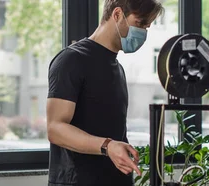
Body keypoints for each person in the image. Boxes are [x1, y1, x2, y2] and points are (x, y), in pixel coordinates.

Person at [45, 0, 163, 185]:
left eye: (147, 27)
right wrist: (107, 146)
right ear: (117, 15)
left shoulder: (118, 68)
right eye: (140, 24)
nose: (143, 33)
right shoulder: (71, 60)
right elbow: (55, 129)